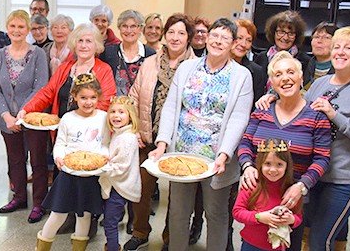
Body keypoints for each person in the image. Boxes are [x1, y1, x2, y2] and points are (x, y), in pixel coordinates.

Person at [257, 27, 350, 251]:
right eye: (337, 47)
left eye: (348, 48)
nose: (340, 52)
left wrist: (335, 115)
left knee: (320, 240)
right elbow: (300, 110)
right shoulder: (320, 84)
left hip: (342, 179)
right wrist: (274, 98)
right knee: (301, 233)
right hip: (310, 175)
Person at [149, 18, 253, 251]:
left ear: (233, 43)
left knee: (216, 213)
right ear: (206, 37)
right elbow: (172, 106)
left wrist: (224, 154)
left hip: (216, 159)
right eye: (214, 35)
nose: (217, 41)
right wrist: (162, 144)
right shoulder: (187, 67)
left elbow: (239, 118)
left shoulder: (241, 75)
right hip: (182, 154)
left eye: (225, 37)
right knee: (177, 212)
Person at [239, 51, 332, 250]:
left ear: (301, 77)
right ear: (272, 82)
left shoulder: (316, 116)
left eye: (291, 72)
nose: (285, 78)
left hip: (292, 199)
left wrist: (301, 186)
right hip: (259, 194)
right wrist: (247, 166)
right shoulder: (262, 110)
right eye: (278, 74)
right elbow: (245, 144)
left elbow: (322, 158)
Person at [125, 13, 197, 251]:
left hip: (179, 143)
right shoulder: (149, 62)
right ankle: (140, 232)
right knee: (141, 190)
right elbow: (134, 96)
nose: (175, 37)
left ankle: (169, 238)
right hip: (147, 137)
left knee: (177, 199)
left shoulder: (196, 68)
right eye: (172, 32)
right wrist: (134, 128)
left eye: (181, 33)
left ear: (189, 38)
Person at [34, 74, 110, 251]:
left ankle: (78, 247)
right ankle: (42, 246)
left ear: (98, 97)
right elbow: (60, 143)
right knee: (58, 214)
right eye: (83, 98)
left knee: (84, 215)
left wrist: (104, 156)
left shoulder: (103, 118)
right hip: (68, 175)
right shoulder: (68, 118)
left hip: (90, 176)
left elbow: (105, 144)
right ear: (74, 97)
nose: (88, 102)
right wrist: (59, 157)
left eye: (93, 97)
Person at [0, 10, 50, 221]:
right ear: (7, 28)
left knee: (38, 161)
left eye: (21, 27)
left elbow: (40, 86)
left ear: (28, 30)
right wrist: (7, 116)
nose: (16, 30)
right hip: (7, 120)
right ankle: (20, 197)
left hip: (33, 118)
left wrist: (23, 114)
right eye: (13, 26)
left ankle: (40, 203)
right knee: (15, 160)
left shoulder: (38, 54)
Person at [233, 138, 303, 251]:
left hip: (277, 246)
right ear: (260, 163)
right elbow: (237, 213)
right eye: (268, 164)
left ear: (287, 166)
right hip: (251, 244)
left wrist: (291, 220)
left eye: (279, 164)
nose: (273, 170)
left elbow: (298, 217)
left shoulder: (290, 191)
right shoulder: (252, 185)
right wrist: (259, 217)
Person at [99, 96, 141, 251]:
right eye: (113, 112)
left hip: (119, 188)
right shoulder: (118, 133)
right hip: (116, 185)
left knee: (110, 223)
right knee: (110, 221)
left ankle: (112, 248)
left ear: (130, 115)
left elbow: (121, 167)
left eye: (121, 112)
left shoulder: (127, 138)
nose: (116, 116)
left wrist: (101, 167)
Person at [99, 10, 156, 96]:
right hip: (113, 107)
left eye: (133, 26)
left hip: (140, 107)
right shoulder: (107, 52)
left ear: (140, 29)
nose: (129, 31)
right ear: (119, 28)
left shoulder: (150, 54)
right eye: (124, 26)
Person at [253, 10, 311, 84]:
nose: (285, 37)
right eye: (281, 32)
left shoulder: (305, 61)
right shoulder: (261, 58)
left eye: (291, 33)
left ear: (297, 36)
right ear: (273, 33)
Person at [232, 19, 267, 107]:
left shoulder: (256, 71)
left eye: (249, 40)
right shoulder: (217, 65)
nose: (243, 44)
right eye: (239, 38)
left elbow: (256, 105)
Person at [305, 22, 339, 89]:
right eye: (316, 37)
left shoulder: (342, 70)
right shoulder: (304, 65)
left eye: (326, 37)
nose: (319, 41)